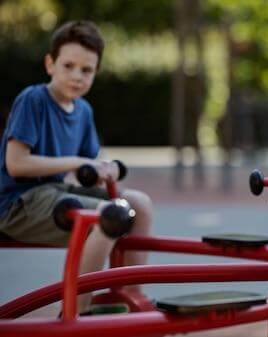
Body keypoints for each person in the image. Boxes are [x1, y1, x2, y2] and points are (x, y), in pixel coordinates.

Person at [0, 20, 153, 314]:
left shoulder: (83, 110)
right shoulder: (33, 99)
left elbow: (91, 166)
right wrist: (79, 163)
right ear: (50, 64)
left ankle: (131, 297)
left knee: (138, 204)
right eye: (68, 66)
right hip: (17, 203)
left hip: (53, 191)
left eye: (87, 70)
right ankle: (76, 310)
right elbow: (16, 164)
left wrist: (102, 170)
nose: (76, 76)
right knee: (106, 217)